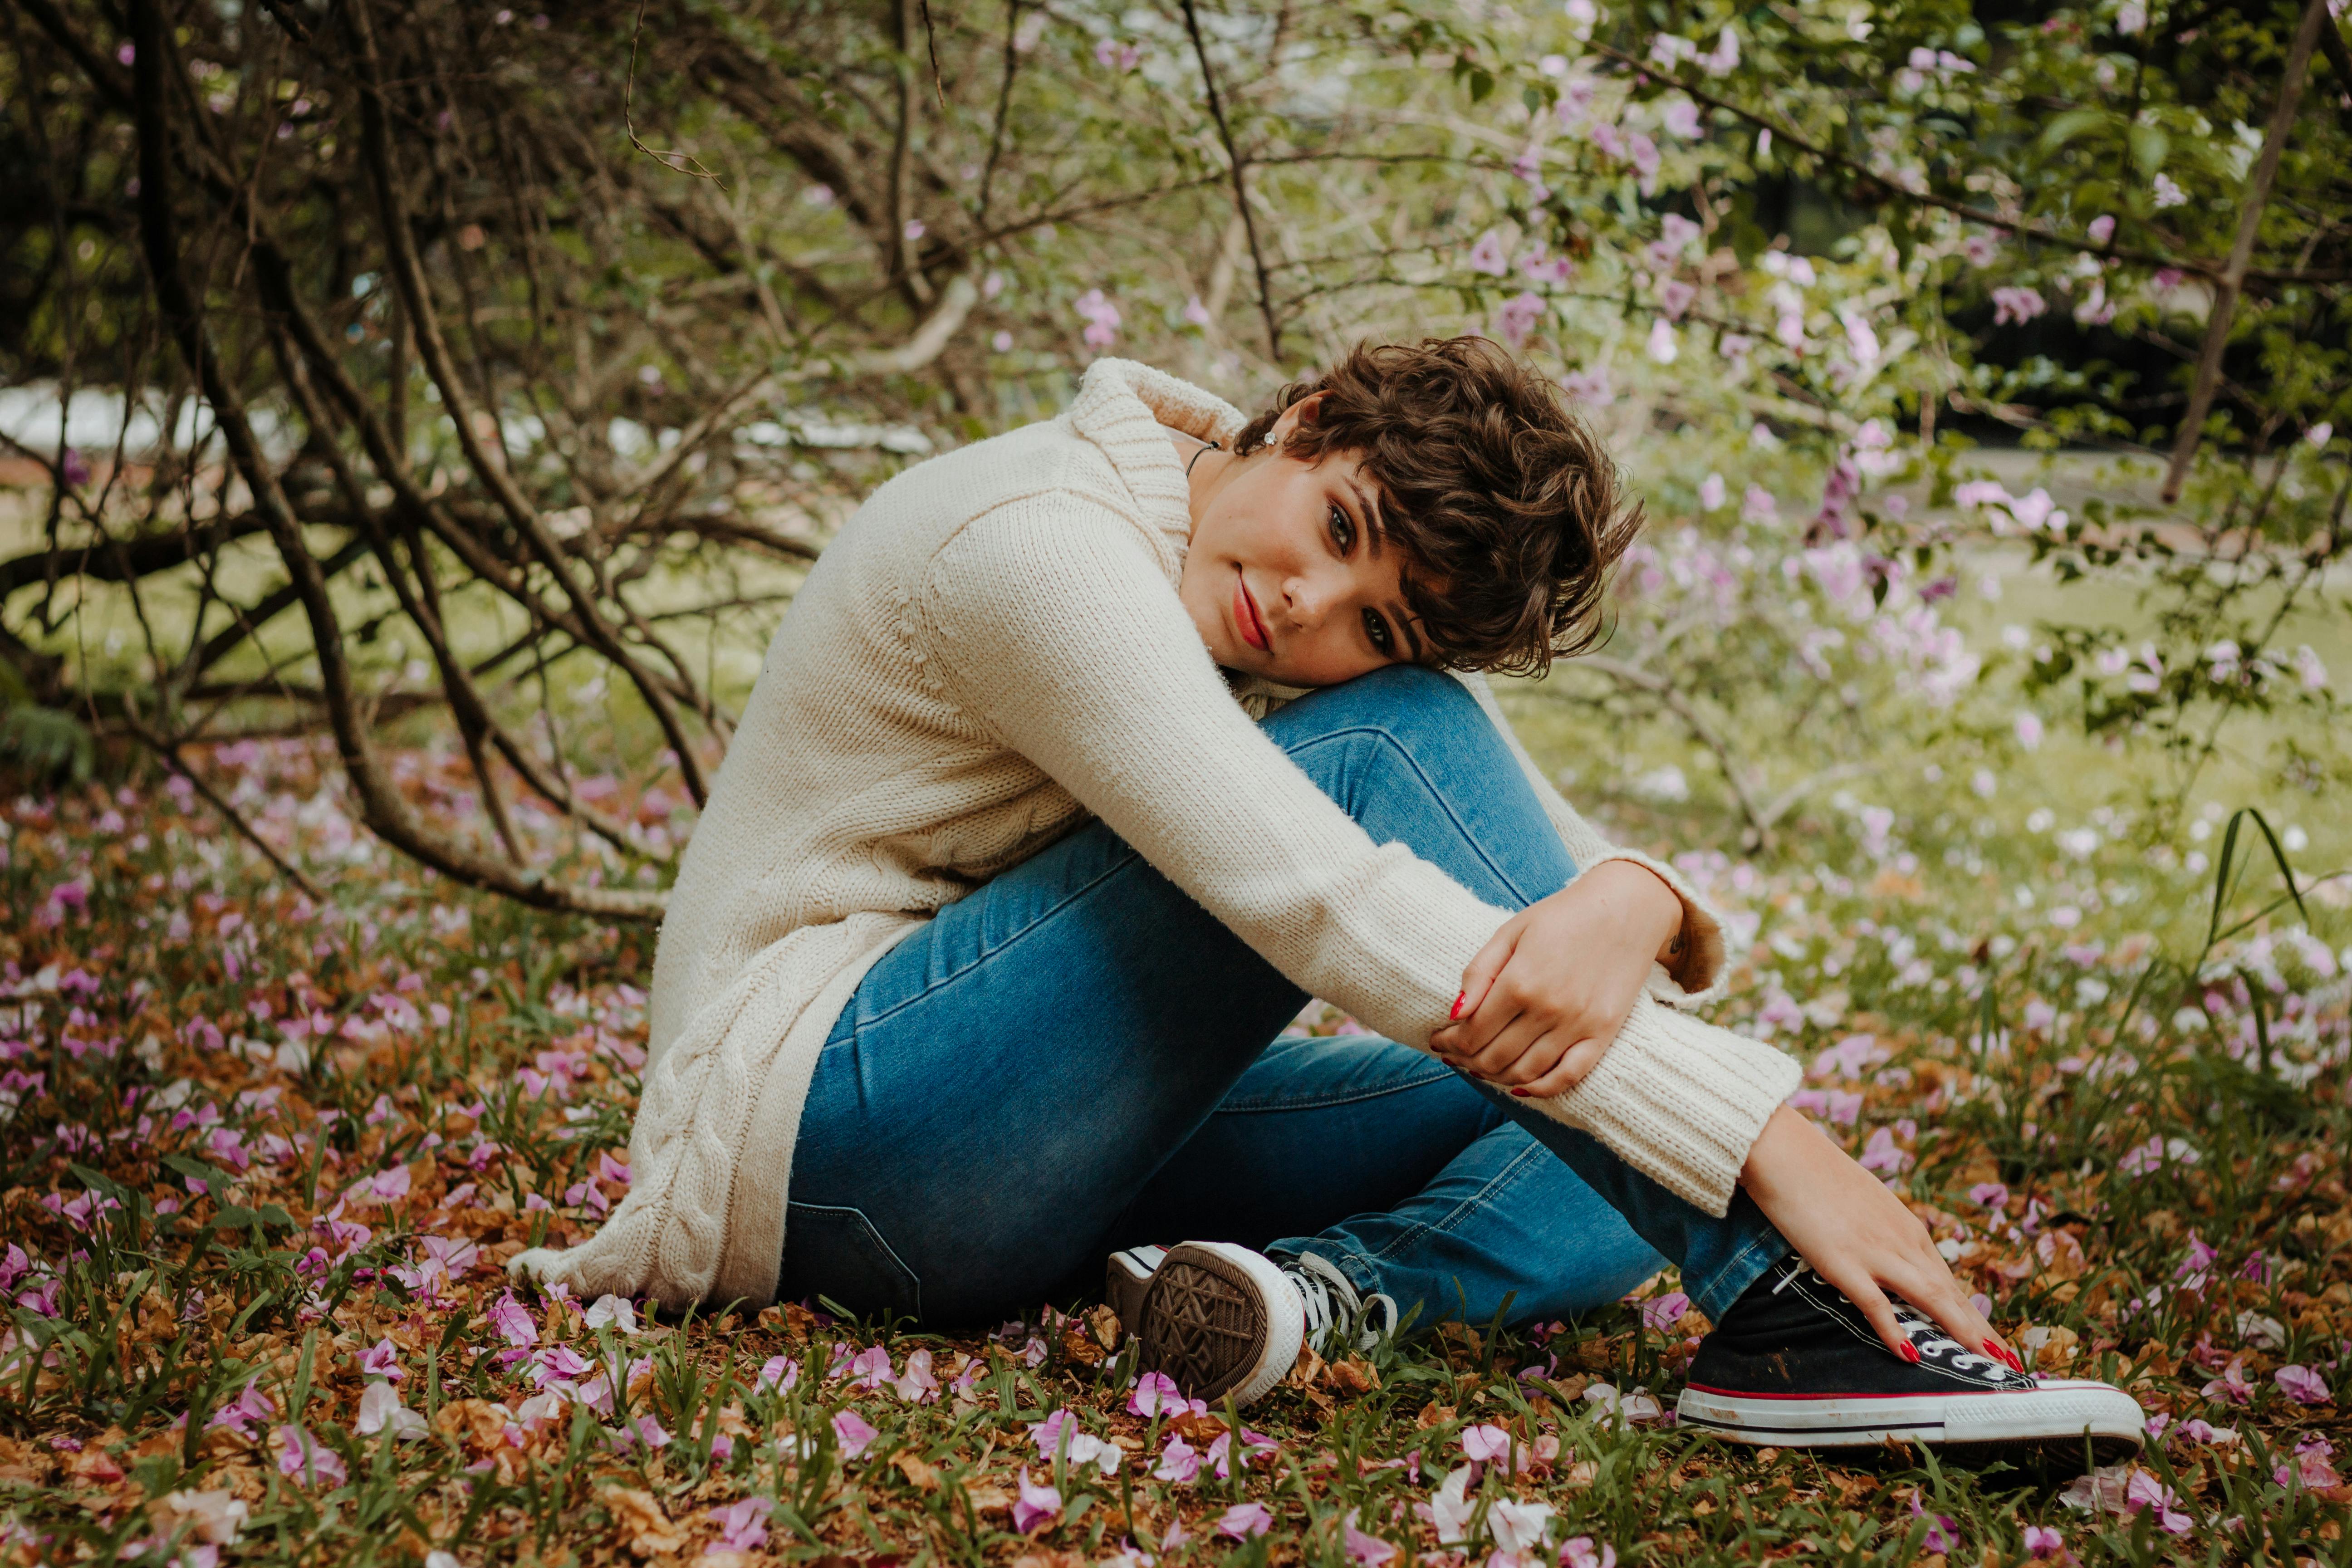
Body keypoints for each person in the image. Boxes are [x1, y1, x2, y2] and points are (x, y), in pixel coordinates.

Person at [514, 338, 2142, 1469]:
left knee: (1582, 1132)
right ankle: (1787, 1312)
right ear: (1297, 420)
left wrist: (1638, 895)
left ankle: (1307, 1302)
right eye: (1342, 532)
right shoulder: (1043, 546)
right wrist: (1777, 1144)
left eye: (1373, 625)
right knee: (1497, 902)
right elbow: (1317, 891)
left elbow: (1562, 883)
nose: (1306, 610)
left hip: (1032, 1158)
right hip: (823, 1142)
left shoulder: (1232, 588)